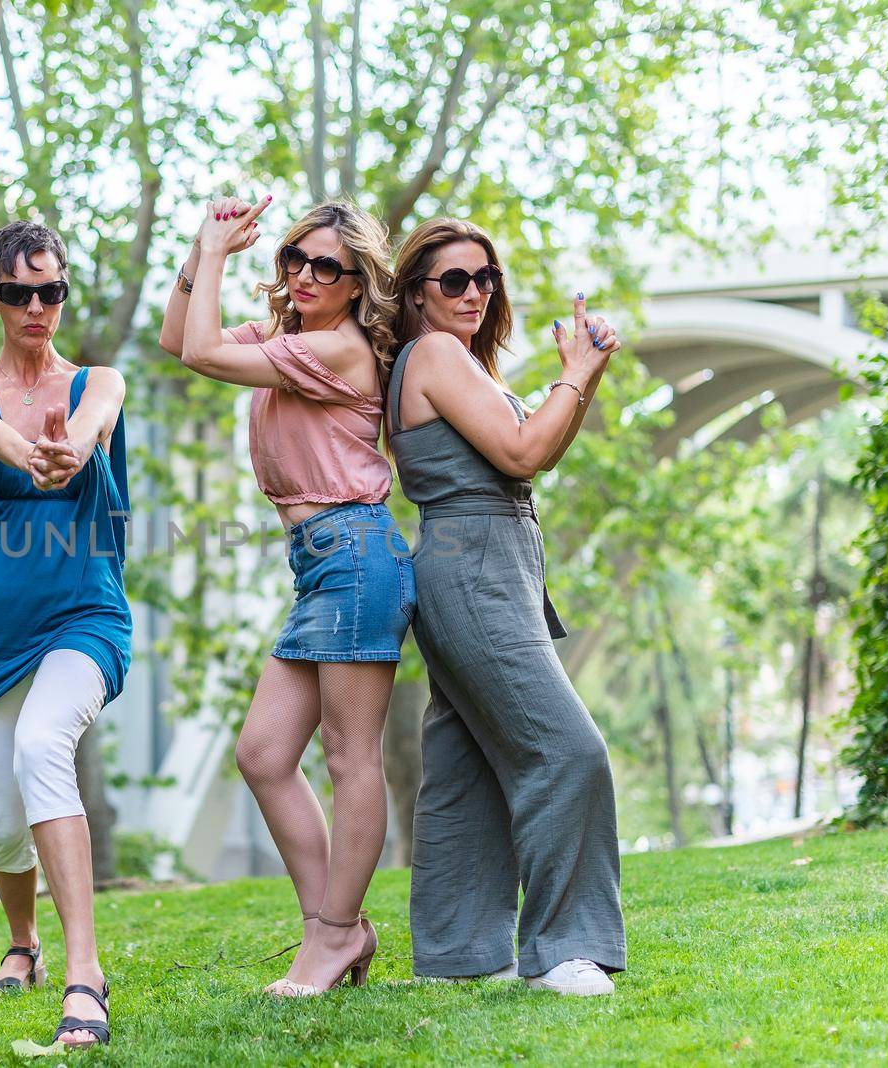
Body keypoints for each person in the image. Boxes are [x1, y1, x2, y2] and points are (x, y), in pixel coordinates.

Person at [159, 197, 414, 996]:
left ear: (356, 284)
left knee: (348, 757)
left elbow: (200, 352)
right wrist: (201, 258)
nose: (304, 274)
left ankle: (335, 935)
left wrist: (213, 248)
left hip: (356, 554)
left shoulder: (337, 349)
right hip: (319, 565)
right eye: (294, 260)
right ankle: (335, 929)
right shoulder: (288, 337)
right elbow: (178, 340)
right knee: (264, 756)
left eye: (325, 267)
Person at [385, 217, 627, 996]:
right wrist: (575, 374)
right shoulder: (434, 353)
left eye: (485, 278)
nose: (474, 293)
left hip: (499, 566)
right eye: (453, 280)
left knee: (466, 770)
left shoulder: (468, 365)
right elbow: (522, 453)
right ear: (417, 294)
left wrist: (579, 377)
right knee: (569, 751)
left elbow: (535, 456)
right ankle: (564, 950)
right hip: (473, 568)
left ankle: (458, 955)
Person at [0, 220, 129, 1047]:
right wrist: (24, 450)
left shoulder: (99, 383)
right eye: (19, 292)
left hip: (83, 616)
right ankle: (25, 947)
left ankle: (84, 975)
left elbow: (91, 431)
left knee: (44, 745)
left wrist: (69, 452)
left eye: (52, 291)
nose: (38, 306)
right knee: (4, 819)